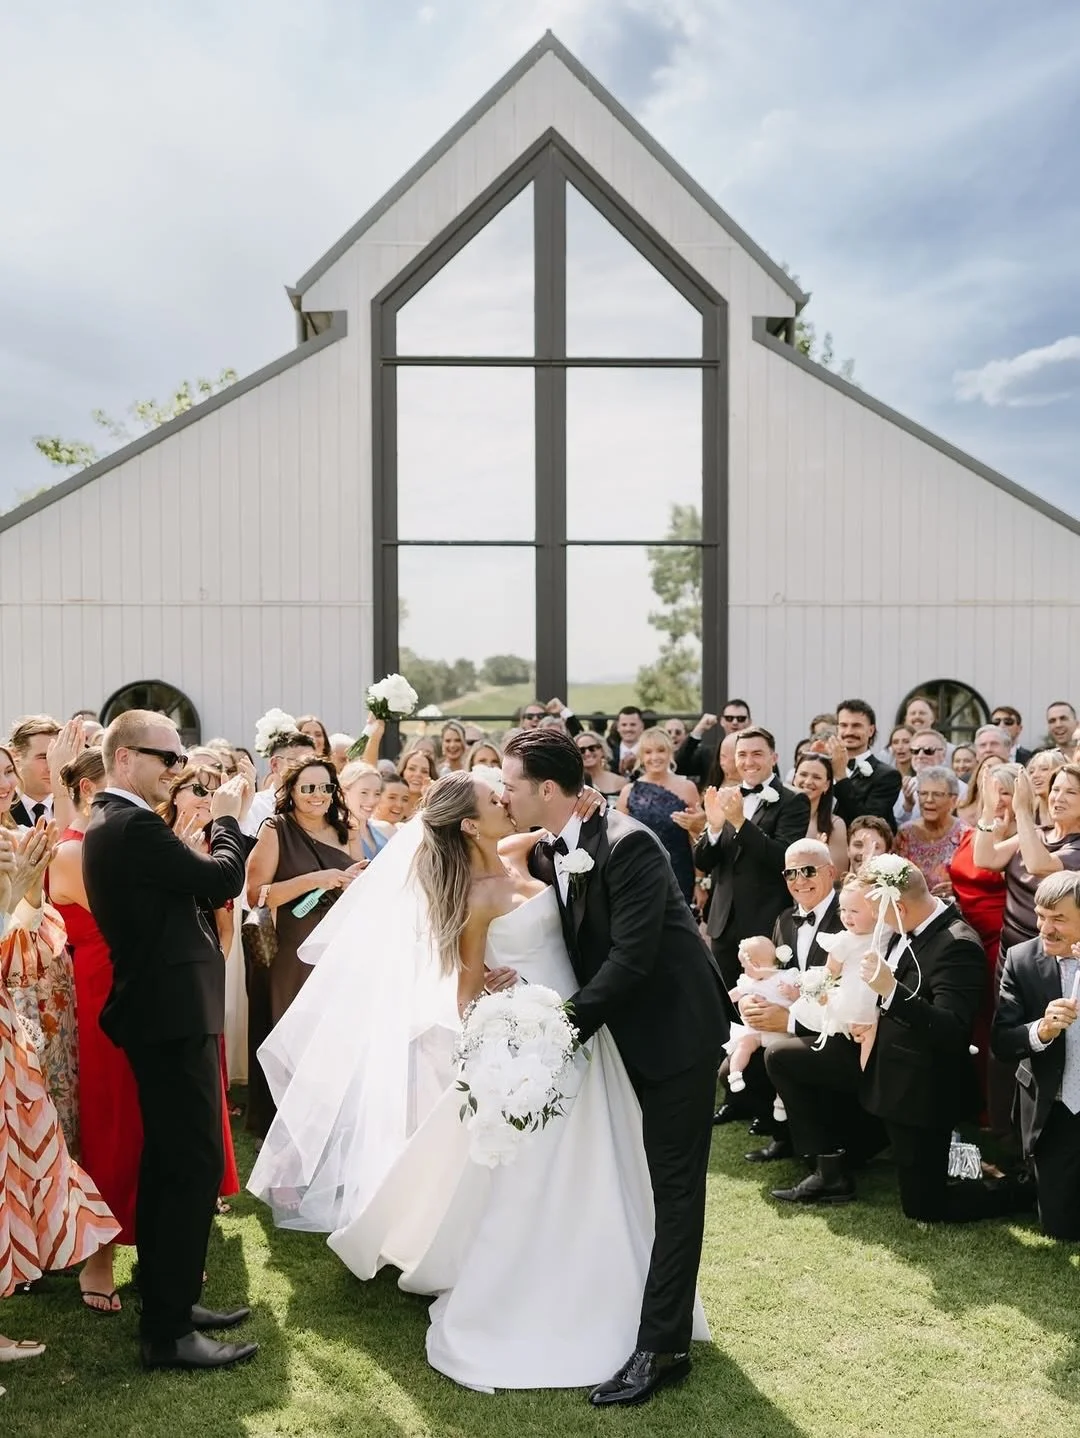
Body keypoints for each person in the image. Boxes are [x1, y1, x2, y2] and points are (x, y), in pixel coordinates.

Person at [504, 729, 726, 1404]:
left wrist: (559, 1031)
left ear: (547, 789)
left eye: (511, 785)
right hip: (620, 1037)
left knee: (675, 1189)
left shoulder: (631, 845)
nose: (504, 795)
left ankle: (663, 1347)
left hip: (676, 1033)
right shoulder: (553, 845)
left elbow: (630, 959)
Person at [82, 709, 257, 1372]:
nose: (179, 768)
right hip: (169, 1014)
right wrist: (230, 821)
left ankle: (171, 1303)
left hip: (169, 1011)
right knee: (190, 1166)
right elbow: (222, 879)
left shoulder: (127, 824)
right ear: (125, 757)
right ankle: (168, 1331)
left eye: (182, 756)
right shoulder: (129, 826)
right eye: (168, 757)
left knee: (171, 1164)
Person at [768, 858, 1027, 1222]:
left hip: (916, 1085)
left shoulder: (957, 945)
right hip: (873, 1061)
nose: (874, 920)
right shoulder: (900, 926)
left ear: (900, 908)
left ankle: (1021, 1188)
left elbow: (952, 1030)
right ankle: (830, 1169)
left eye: (879, 913)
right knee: (783, 1056)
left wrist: (891, 993)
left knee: (925, 1208)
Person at [1, 822, 119, 1326]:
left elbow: (25, 952)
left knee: (25, 1153)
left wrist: (27, 892)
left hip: (16, 1029)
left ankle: (34, 1255)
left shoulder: (14, 842)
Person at [49, 747, 143, 1314]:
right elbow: (126, 913)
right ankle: (98, 1258)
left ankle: (156, 1240)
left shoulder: (123, 840)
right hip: (101, 988)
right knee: (109, 1119)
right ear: (88, 790)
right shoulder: (70, 851)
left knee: (146, 1116)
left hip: (142, 981)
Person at [244, 759, 366, 1137]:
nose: (318, 795)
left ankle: (329, 1122)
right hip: (293, 950)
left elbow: (360, 886)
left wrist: (354, 882)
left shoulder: (347, 830)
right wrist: (317, 880)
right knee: (293, 1033)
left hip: (339, 947)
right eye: (308, 788)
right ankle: (286, 1125)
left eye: (325, 787)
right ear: (292, 792)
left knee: (333, 1034)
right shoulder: (276, 829)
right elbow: (256, 894)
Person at [158, 765, 243, 1212]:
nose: (206, 798)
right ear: (174, 794)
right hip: (156, 980)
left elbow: (225, 929)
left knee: (204, 1088)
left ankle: (207, 1186)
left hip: (200, 982)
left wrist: (210, 975)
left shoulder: (217, 850)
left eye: (213, 792)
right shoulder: (152, 838)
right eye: (197, 789)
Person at [729, 840, 844, 1159]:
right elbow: (767, 974)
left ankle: (822, 1154)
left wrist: (790, 1020)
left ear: (830, 872)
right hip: (783, 1026)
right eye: (790, 873)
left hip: (833, 1028)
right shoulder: (783, 919)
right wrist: (749, 1003)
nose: (799, 880)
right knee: (732, 1067)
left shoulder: (848, 916)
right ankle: (782, 1133)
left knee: (778, 1056)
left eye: (808, 870)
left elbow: (846, 990)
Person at [992, 871, 1080, 1240]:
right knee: (1061, 1228)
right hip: (1055, 1110)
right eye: (1041, 916)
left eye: (1058, 918)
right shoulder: (1021, 959)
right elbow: (1001, 1041)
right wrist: (1040, 1030)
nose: (1045, 928)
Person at [694, 726, 810, 996]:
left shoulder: (793, 800)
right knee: (724, 1001)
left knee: (765, 1000)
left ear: (774, 757)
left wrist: (739, 822)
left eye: (757, 754)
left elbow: (783, 858)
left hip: (767, 921)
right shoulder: (725, 796)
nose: (748, 761)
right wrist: (714, 828)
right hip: (723, 923)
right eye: (742, 754)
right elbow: (703, 861)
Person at [617, 728, 700, 903]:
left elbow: (696, 837)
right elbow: (618, 843)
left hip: (680, 873)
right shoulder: (628, 792)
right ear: (641, 756)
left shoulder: (688, 787)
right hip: (638, 875)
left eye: (661, 750)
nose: (655, 757)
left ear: (670, 752)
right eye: (648, 752)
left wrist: (700, 881)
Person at [828, 700, 902, 831]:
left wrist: (841, 777)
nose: (849, 732)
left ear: (871, 730)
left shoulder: (888, 776)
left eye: (856, 726)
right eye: (844, 725)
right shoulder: (824, 768)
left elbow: (867, 822)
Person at [894, 766, 968, 895]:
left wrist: (958, 889)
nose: (929, 800)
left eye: (937, 794)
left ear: (953, 800)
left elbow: (975, 882)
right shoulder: (905, 833)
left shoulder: (965, 834)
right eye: (923, 793)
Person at [241, 730, 317, 838]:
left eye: (311, 763)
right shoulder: (253, 807)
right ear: (275, 764)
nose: (305, 769)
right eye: (297, 762)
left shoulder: (319, 804)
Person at [790, 752, 847, 872]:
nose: (808, 781)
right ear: (794, 778)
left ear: (827, 785)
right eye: (803, 774)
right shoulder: (776, 814)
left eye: (816, 777)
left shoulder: (835, 825)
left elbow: (838, 873)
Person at [6, 715, 61, 827]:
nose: (52, 767)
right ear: (15, 757)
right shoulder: (4, 808)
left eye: (57, 757)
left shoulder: (75, 808)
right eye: (43, 757)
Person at [339, 761, 392, 862]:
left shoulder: (384, 829)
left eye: (377, 793)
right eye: (364, 792)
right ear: (343, 792)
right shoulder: (336, 834)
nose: (372, 801)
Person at [574, 730, 628, 801]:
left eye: (592, 748)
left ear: (602, 750)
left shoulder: (620, 782)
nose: (587, 753)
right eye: (581, 750)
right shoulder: (571, 784)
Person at [1027, 748, 1067, 828]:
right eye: (1031, 772)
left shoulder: (1070, 807)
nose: (1035, 775)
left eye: (1044, 769)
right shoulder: (1028, 809)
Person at [397, 744, 439, 820]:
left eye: (424, 771)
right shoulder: (389, 801)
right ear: (402, 772)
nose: (418, 774)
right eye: (411, 769)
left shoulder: (436, 806)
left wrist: (428, 799)